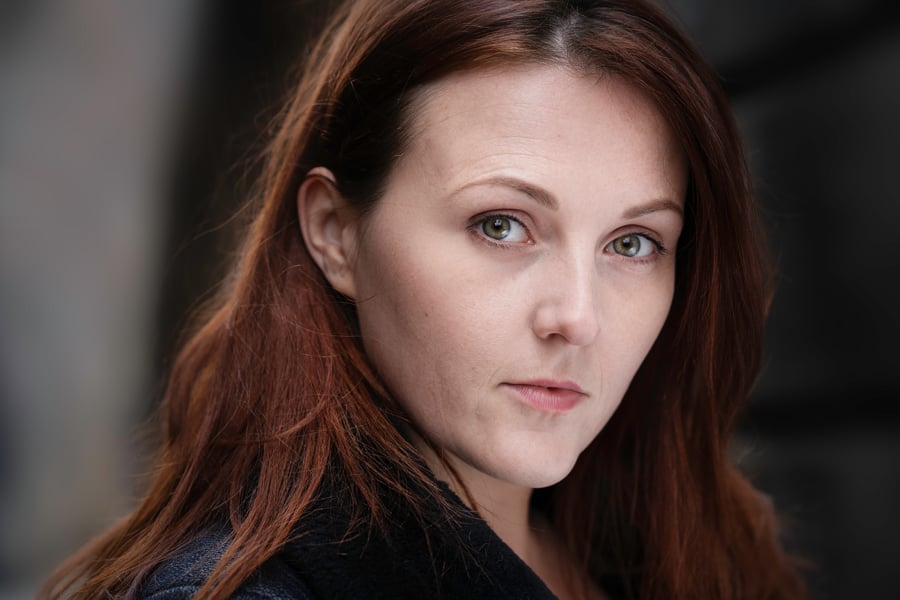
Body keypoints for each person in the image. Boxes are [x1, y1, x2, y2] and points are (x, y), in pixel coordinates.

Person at [42, 0, 807, 598]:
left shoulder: (687, 556)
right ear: (335, 233)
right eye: (502, 225)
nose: (578, 318)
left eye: (633, 243)